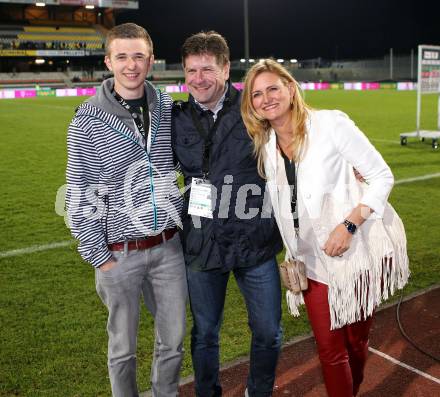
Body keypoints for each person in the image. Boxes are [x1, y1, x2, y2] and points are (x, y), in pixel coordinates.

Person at [241, 59, 409, 397]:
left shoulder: (330, 124)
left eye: (273, 88)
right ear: (251, 104)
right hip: (312, 262)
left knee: (356, 342)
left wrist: (348, 225)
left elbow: (382, 176)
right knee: (330, 351)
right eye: (257, 94)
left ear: (290, 88)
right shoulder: (265, 146)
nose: (266, 98)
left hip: (355, 255)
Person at [65, 23, 187, 397]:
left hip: (168, 248)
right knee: (123, 348)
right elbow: (79, 194)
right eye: (122, 57)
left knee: (174, 340)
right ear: (108, 61)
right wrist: (99, 256)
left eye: (138, 56)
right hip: (118, 254)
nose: (131, 65)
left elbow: (189, 159)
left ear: (151, 60)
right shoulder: (86, 120)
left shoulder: (166, 106)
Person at [172, 32, 283, 397]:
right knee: (205, 333)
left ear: (225, 67)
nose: (198, 78)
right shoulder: (177, 117)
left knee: (268, 331)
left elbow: (298, 136)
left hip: (255, 239)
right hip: (203, 241)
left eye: (207, 69)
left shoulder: (253, 108)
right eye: (191, 70)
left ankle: (259, 391)